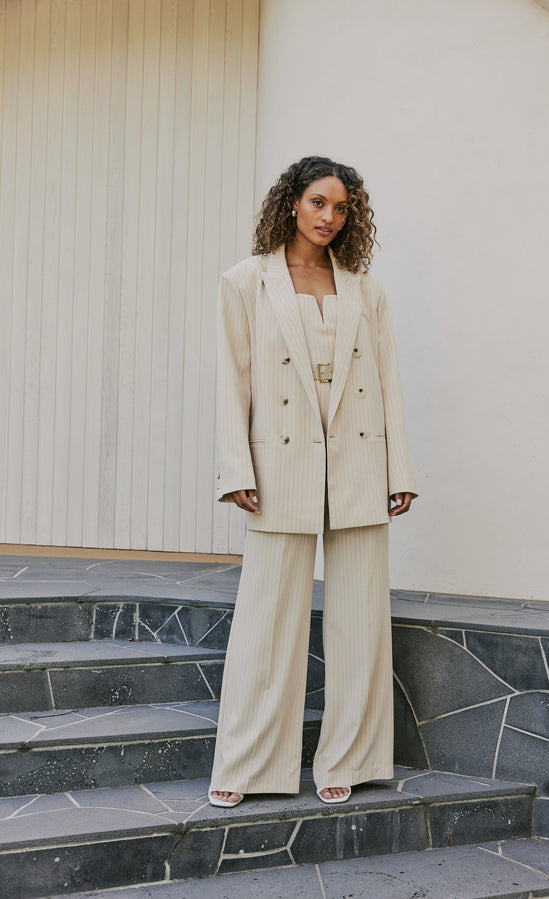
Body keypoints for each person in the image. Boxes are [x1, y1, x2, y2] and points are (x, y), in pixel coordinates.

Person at [209, 156, 417, 808]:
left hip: (358, 461)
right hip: (279, 465)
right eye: (319, 202)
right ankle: (246, 763)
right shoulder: (246, 282)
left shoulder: (365, 290)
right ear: (291, 203)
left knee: (359, 621)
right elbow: (232, 382)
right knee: (266, 621)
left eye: (342, 207)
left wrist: (399, 469)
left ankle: (347, 760)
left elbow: (388, 383)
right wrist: (237, 467)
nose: (330, 217)